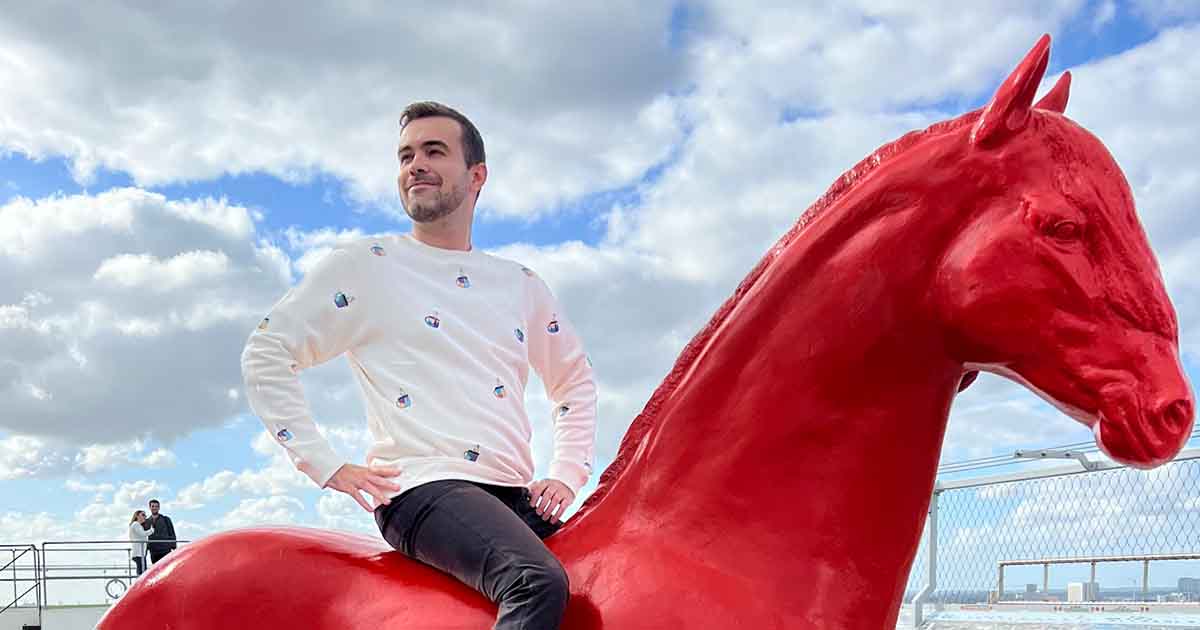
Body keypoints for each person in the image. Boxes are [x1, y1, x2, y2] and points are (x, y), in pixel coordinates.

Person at [241, 101, 598, 630]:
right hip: (424, 488)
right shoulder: (366, 267)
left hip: (512, 496)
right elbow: (267, 351)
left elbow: (573, 383)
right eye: (406, 155)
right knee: (535, 581)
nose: (415, 165)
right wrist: (324, 462)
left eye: (434, 151)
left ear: (477, 176)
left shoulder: (522, 284)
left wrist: (567, 473)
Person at [142, 499, 177, 564]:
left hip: (165, 550)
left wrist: (174, 547)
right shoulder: (146, 522)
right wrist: (145, 550)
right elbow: (144, 536)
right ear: (150, 507)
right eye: (152, 506)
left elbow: (172, 533)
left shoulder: (166, 519)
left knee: (166, 569)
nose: (154, 508)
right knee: (156, 570)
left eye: (156, 506)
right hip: (153, 550)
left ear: (159, 508)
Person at [128, 510, 152, 577]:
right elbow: (142, 534)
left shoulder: (137, 525)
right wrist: (152, 530)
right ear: (137, 516)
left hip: (140, 553)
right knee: (141, 573)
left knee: (141, 572)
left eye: (145, 515)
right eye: (143, 515)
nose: (145, 517)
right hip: (138, 553)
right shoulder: (136, 524)